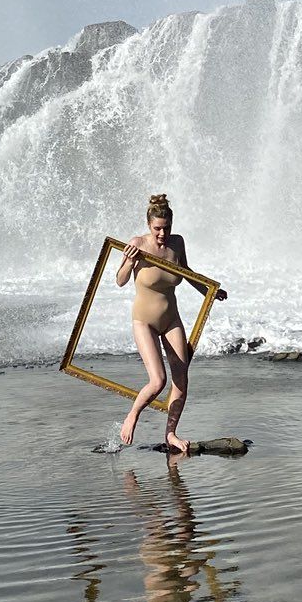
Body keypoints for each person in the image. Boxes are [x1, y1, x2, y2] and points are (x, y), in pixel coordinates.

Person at [116, 192, 226, 452]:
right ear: (148, 225)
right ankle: (132, 416)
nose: (162, 234)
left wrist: (209, 291)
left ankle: (171, 434)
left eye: (166, 228)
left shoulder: (177, 243)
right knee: (158, 381)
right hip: (144, 321)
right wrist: (129, 261)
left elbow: (186, 273)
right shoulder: (137, 243)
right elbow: (120, 280)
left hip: (171, 319)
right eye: (157, 229)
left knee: (181, 379)